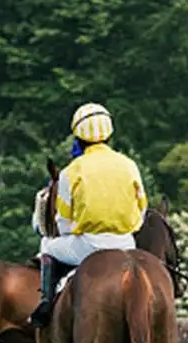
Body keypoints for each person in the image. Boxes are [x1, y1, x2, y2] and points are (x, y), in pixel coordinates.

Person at [30, 102, 148, 328]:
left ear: (78, 137)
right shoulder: (129, 165)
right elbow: (141, 209)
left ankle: (46, 302)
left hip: (90, 246)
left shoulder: (71, 171)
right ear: (109, 133)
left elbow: (63, 224)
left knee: (47, 244)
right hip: (127, 243)